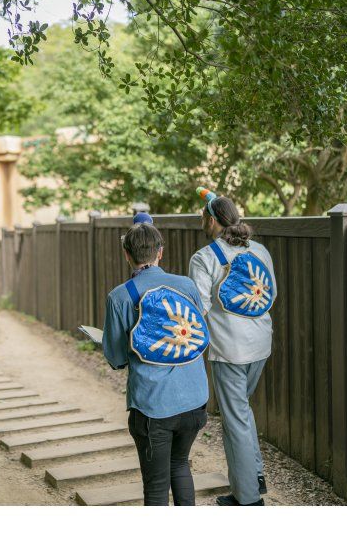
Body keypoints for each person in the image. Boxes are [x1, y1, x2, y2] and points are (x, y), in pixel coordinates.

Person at [102, 216, 210, 506]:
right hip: (195, 400)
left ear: (126, 253)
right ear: (160, 252)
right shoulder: (186, 285)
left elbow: (115, 357)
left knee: (156, 484)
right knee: (180, 465)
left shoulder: (120, 297)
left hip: (154, 407)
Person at [188, 187, 277, 506]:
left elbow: (197, 308)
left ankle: (248, 499)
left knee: (235, 417)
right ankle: (255, 478)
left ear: (211, 220)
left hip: (230, 350)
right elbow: (270, 294)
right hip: (260, 343)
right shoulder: (260, 251)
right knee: (242, 411)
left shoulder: (206, 257)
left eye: (203, 216)